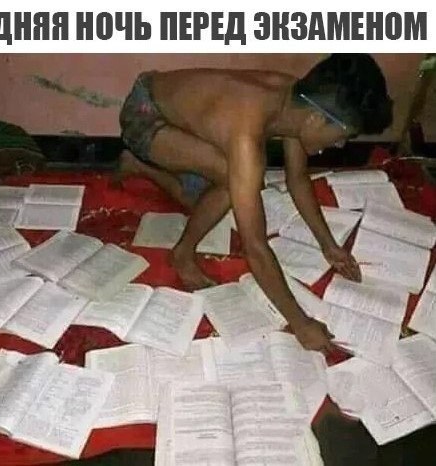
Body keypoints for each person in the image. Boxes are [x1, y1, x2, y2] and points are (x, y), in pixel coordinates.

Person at [116, 54, 393, 353]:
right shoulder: (248, 133)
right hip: (147, 113)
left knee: (227, 185)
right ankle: (181, 252)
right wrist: (300, 323)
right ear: (315, 118)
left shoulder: (300, 102)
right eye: (342, 136)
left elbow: (297, 178)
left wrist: (329, 245)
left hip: (189, 114)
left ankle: (142, 168)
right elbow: (256, 247)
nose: (339, 145)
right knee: (231, 180)